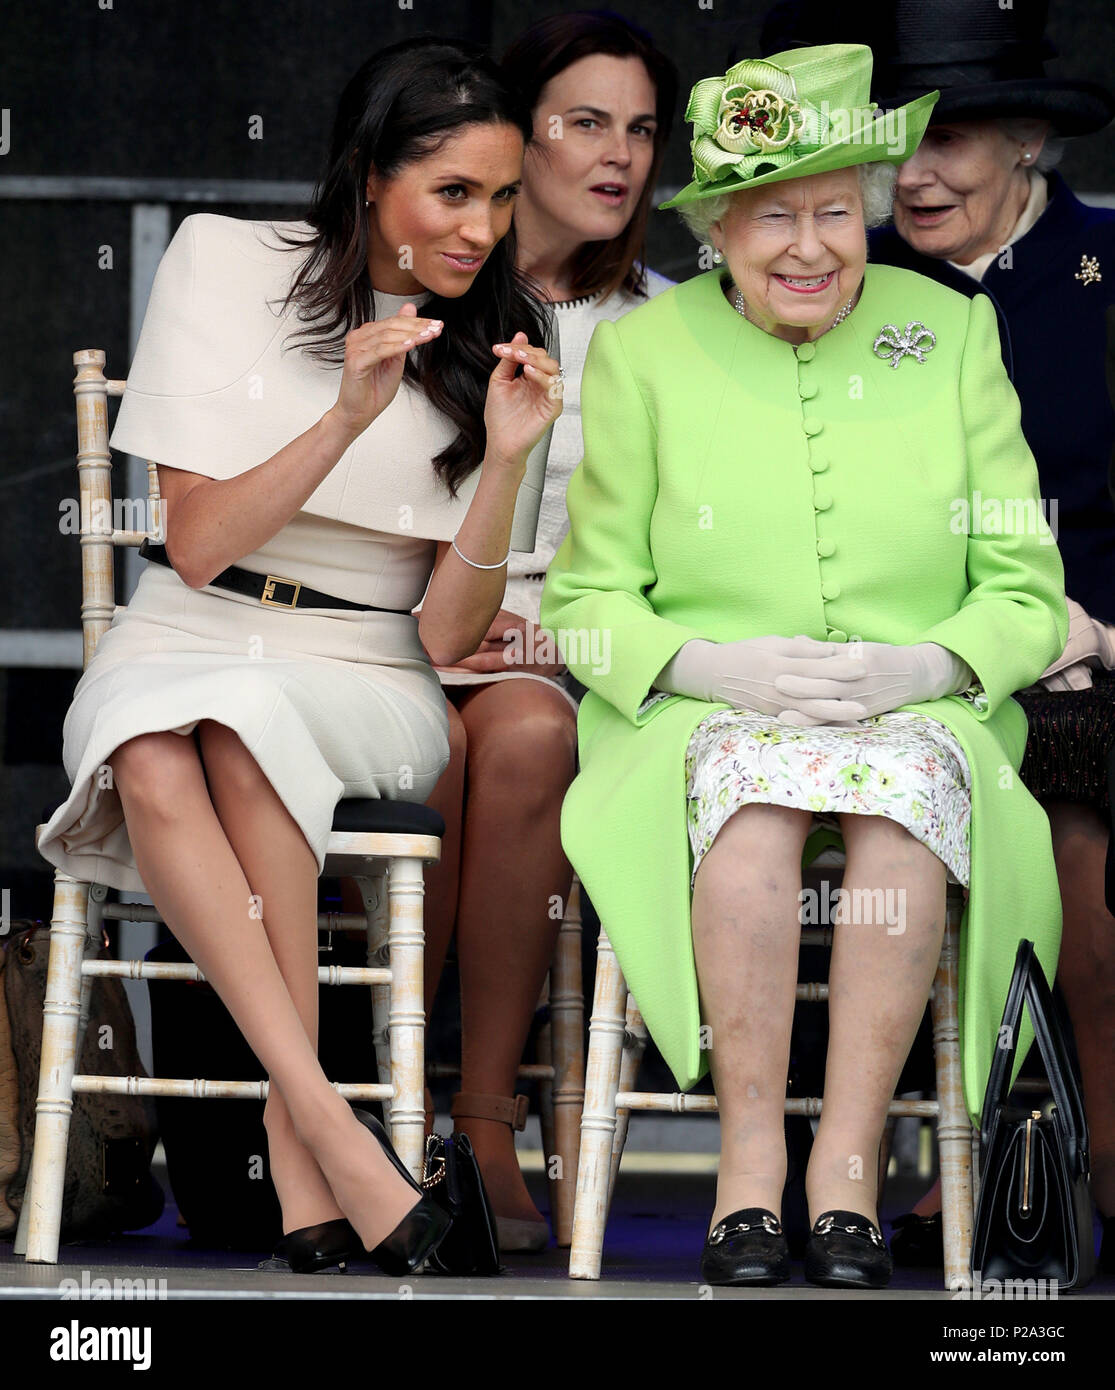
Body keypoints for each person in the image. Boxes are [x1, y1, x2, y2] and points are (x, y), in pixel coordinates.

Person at [540, 42, 1068, 1287]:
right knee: (754, 815)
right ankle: (745, 1174)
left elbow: (1022, 584)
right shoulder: (642, 353)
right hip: (705, 710)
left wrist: (928, 665)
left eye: (836, 211)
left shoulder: (949, 332)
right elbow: (587, 598)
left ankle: (841, 1173)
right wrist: (708, 663)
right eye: (773, 214)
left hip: (914, 708)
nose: (809, 246)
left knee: (896, 825)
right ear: (718, 225)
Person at [37, 37, 562, 1275]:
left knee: (223, 724)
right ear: (370, 176)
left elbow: (443, 636)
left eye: (499, 196)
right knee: (160, 746)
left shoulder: (502, 331)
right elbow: (203, 547)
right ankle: (323, 1115)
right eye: (452, 192)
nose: (481, 227)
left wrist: (503, 461)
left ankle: (306, 1127)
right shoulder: (224, 261)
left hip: (370, 666)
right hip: (188, 626)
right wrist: (342, 418)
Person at [415, 10, 677, 1251]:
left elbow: (692, 554)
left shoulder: (676, 324)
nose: (616, 154)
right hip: (400, 619)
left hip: (567, 652)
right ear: (518, 137)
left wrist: (562, 641)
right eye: (583, 123)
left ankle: (473, 1123)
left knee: (519, 736)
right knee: (440, 750)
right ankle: (382, 1111)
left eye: (638, 128)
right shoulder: (440, 287)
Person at [863, 0, 1115, 1268]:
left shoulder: (1106, 269)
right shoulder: (833, 276)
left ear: (1025, 142)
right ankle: (981, 1158)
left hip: (1093, 652)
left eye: (947, 137)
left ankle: (1090, 1160)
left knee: (1066, 797)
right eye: (891, 137)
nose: (910, 172)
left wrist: (1100, 629)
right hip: (903, 655)